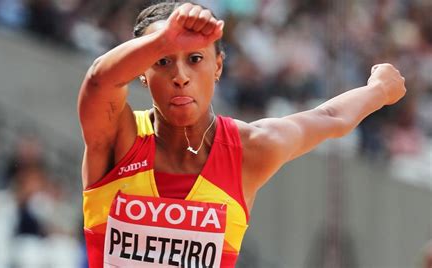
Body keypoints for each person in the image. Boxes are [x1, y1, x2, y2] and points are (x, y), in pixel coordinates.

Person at [77, 2, 406, 267]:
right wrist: (163, 39)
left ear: (218, 66)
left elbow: (329, 116)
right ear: (143, 75)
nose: (180, 76)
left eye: (194, 59)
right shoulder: (118, 141)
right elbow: (99, 80)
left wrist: (379, 90)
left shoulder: (251, 149)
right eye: (162, 61)